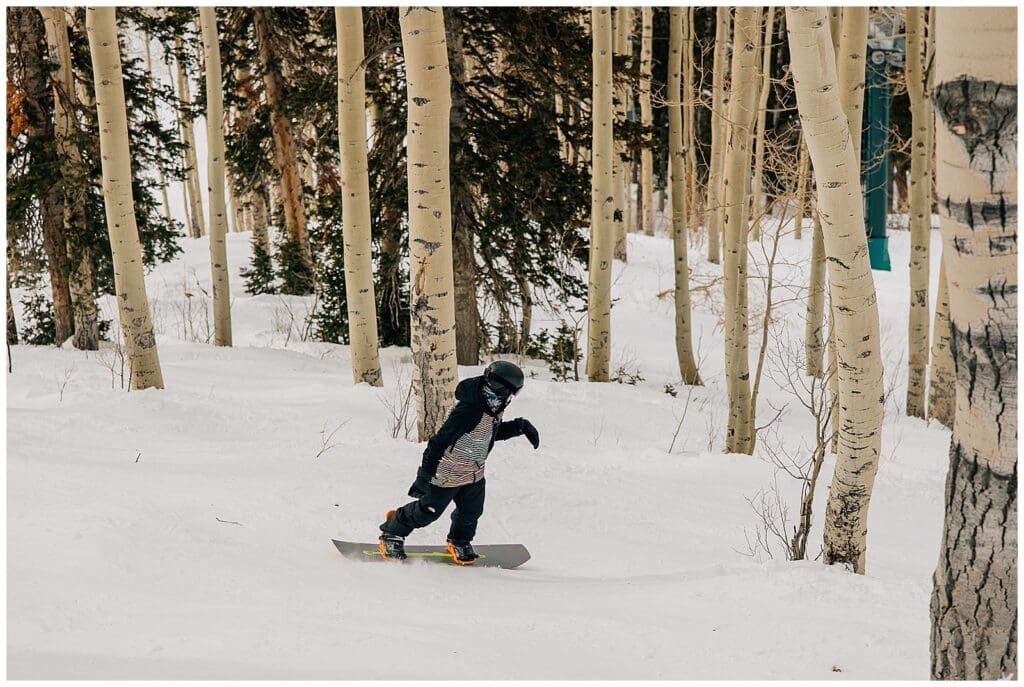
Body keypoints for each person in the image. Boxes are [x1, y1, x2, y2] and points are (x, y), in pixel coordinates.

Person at [378, 360, 540, 564]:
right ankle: (393, 530)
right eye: (512, 392)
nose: (512, 397)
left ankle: (459, 540)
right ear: (499, 387)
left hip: (474, 474)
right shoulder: (468, 410)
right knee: (428, 512)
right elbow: (438, 443)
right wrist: (424, 477)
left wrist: (519, 427)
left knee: (470, 512)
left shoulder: (493, 406)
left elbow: (487, 434)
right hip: (447, 473)